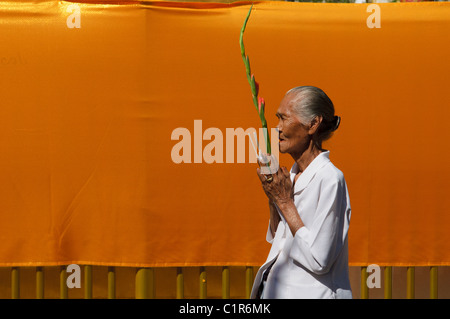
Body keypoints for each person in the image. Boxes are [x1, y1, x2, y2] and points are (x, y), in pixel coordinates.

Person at [250, 86, 352, 299]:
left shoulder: (330, 179)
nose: (277, 128)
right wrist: (273, 197)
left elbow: (319, 260)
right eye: (277, 119)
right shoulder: (292, 177)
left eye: (284, 119)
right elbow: (280, 238)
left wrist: (284, 202)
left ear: (313, 124)